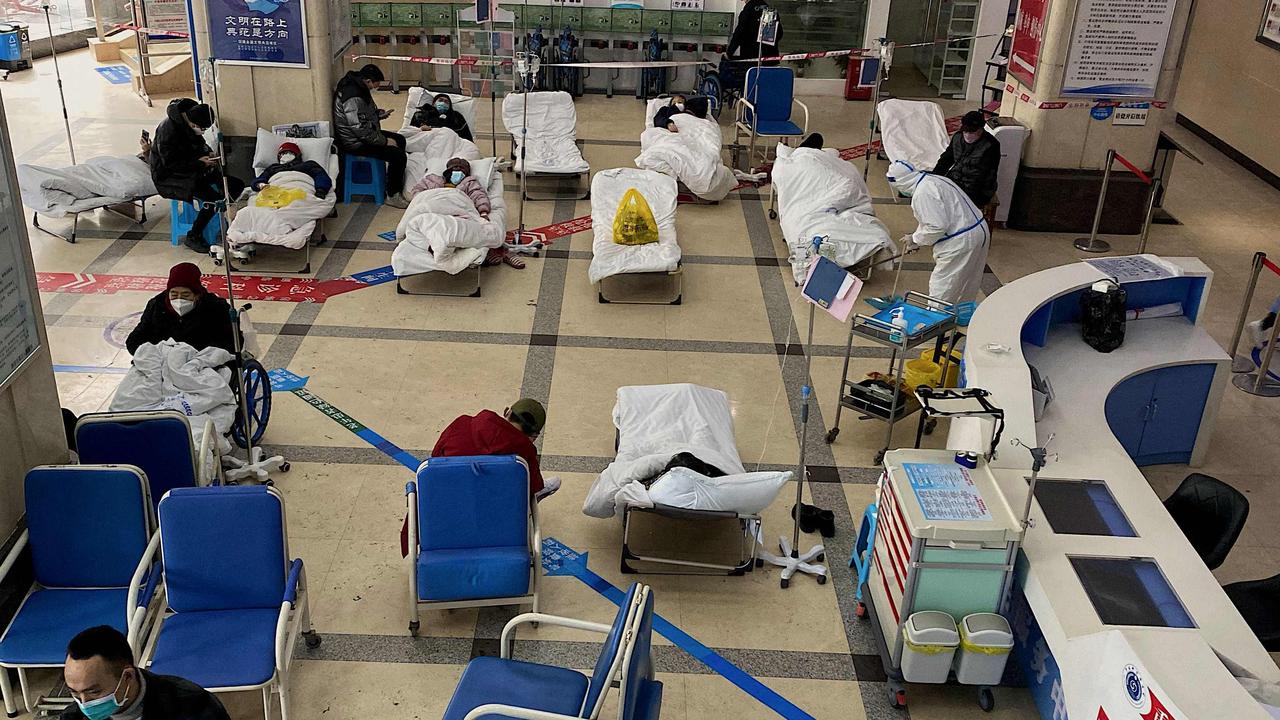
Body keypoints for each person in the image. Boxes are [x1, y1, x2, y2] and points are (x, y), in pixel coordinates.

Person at [61, 625, 230, 720]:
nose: (84, 704)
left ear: (127, 676)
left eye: (94, 692)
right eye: (75, 693)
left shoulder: (193, 706)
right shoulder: (73, 718)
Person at [886, 159, 990, 306]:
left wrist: (915, 239)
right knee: (967, 284)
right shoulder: (934, 179)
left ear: (900, 182)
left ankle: (937, 322)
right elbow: (933, 218)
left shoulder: (923, 193)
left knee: (942, 288)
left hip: (960, 241)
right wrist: (917, 240)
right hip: (978, 230)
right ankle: (961, 317)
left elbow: (937, 227)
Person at [150, 99, 246, 253]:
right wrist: (199, 163)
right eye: (202, 128)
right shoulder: (168, 131)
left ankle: (222, 217)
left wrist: (208, 154)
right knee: (212, 199)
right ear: (192, 123)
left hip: (193, 169)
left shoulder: (188, 122)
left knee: (235, 185)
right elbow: (170, 164)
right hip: (170, 177)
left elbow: (198, 144)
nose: (202, 132)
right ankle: (194, 235)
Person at [409, 158, 522, 270]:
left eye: (462, 168)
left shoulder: (469, 183)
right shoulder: (432, 180)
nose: (458, 170)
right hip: (434, 208)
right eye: (454, 167)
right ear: (447, 170)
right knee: (431, 223)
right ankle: (440, 244)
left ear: (467, 173)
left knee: (462, 228)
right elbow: (417, 193)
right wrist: (426, 200)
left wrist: (483, 212)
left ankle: (443, 245)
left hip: (459, 209)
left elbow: (479, 196)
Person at [432, 399, 557, 499]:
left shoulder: (461, 423)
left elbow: (435, 458)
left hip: (447, 500)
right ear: (533, 437)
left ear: (507, 412)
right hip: (493, 514)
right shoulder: (526, 453)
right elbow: (534, 487)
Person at [333, 64, 410, 209]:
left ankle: (395, 181)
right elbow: (359, 129)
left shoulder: (359, 88)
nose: (376, 87)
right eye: (375, 84)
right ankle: (393, 194)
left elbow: (363, 115)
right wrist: (385, 141)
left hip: (363, 135)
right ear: (368, 81)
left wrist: (379, 114)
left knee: (400, 139)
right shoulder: (352, 96)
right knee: (397, 155)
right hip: (354, 142)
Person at [125, 262, 236, 356]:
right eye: (174, 294)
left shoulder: (216, 308)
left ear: (197, 295)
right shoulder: (156, 307)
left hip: (202, 362)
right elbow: (134, 341)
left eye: (185, 295)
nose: (179, 299)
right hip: (161, 361)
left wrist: (194, 355)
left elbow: (231, 343)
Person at [932, 111, 1001, 209]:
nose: (968, 135)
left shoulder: (991, 145)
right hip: (955, 180)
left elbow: (987, 176)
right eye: (965, 131)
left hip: (976, 189)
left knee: (953, 206)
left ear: (981, 129)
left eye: (972, 131)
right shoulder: (958, 138)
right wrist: (934, 178)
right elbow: (945, 160)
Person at [251, 141, 333, 198]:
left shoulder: (308, 165)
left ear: (297, 155)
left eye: (289, 153)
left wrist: (321, 190)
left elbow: (321, 175)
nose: (285, 155)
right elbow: (260, 178)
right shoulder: (273, 167)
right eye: (282, 154)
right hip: (277, 193)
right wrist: (259, 184)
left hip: (301, 190)